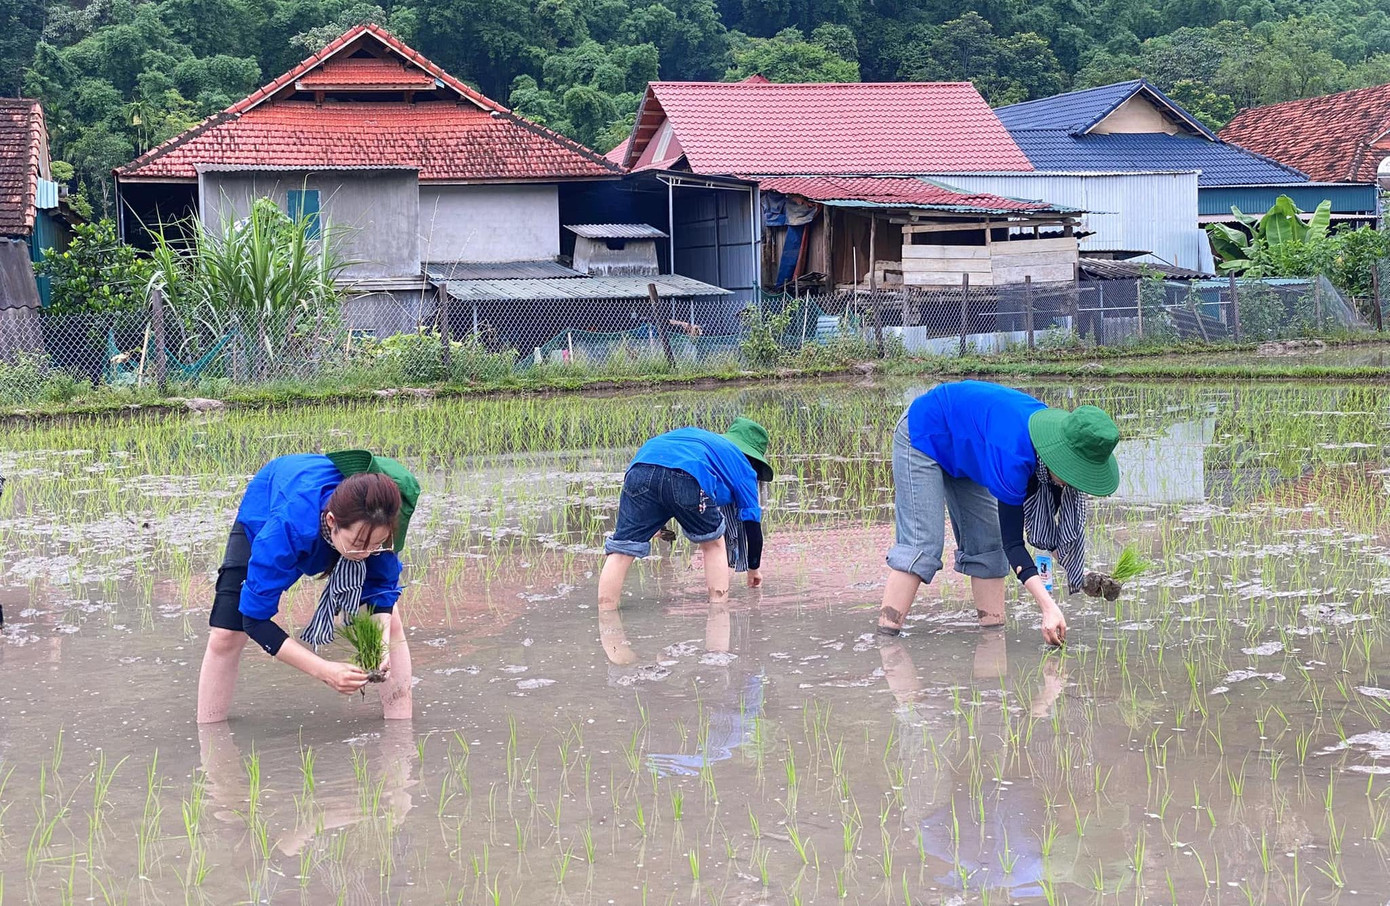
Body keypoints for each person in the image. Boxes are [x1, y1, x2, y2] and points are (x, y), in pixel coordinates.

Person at [876, 381, 1121, 645]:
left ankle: (991, 642)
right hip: (926, 433)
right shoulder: (1014, 456)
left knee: (988, 547)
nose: (1075, 481)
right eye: (1075, 472)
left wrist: (1082, 576)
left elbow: (1053, 536)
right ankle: (886, 644)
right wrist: (1048, 607)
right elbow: (1013, 544)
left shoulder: (1059, 448)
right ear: (1060, 457)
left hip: (972, 446)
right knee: (922, 545)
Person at [196, 450, 420, 723]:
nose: (366, 553)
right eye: (359, 544)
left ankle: (400, 733)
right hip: (272, 499)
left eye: (377, 545)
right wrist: (324, 670)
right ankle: (209, 736)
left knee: (389, 623)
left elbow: (381, 595)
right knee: (226, 634)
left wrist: (381, 647)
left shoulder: (377, 528)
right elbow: (254, 620)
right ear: (331, 522)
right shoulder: (287, 528)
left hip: (350, 518)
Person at [599, 418, 772, 611]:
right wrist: (753, 569)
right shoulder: (743, 466)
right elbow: (752, 527)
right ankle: (718, 613)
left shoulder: (707, 442)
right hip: (689, 473)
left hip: (640, 467)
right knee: (713, 545)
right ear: (753, 459)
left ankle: (605, 616)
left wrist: (655, 525)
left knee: (621, 551)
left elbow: (660, 479)